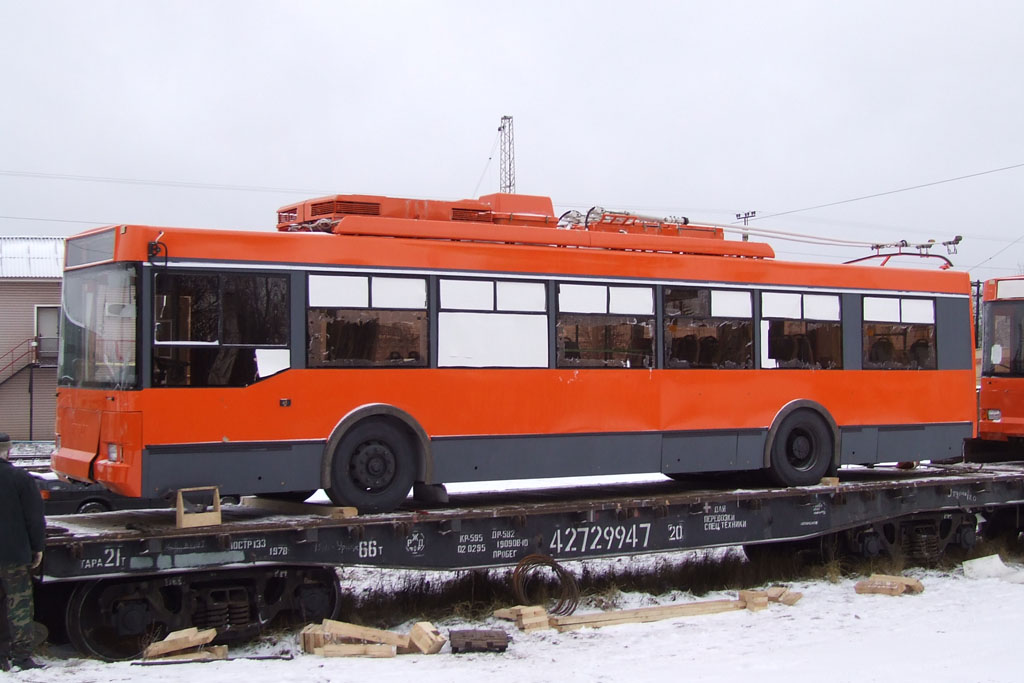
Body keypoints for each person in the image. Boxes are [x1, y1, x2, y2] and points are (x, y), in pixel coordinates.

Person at [0, 433, 45, 671]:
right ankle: (21, 657)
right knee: (18, 605)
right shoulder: (20, 478)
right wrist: (38, 547)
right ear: (7, 451)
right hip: (14, 554)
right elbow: (34, 518)